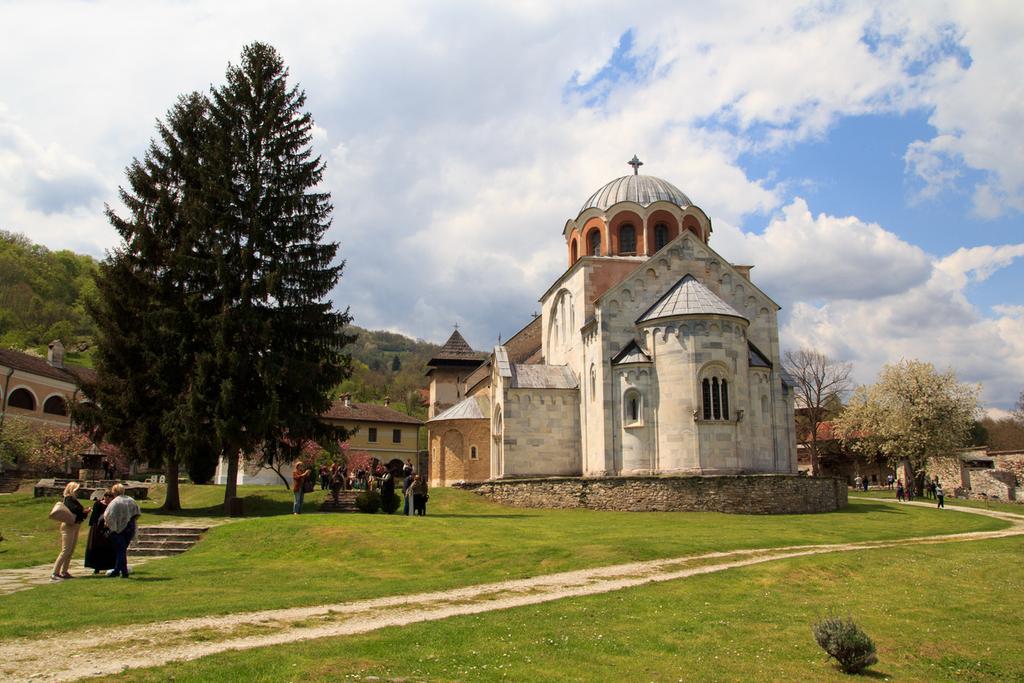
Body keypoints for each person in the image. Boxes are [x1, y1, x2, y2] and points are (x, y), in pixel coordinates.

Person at [51, 481, 90, 581]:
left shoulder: (74, 499)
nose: (78, 491)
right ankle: (55, 572)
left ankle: (64, 571)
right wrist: (83, 511)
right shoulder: (68, 498)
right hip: (68, 526)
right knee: (65, 550)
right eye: (77, 489)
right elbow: (74, 510)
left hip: (76, 525)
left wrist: (85, 512)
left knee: (70, 550)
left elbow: (79, 514)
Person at [103, 483, 141, 578]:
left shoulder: (115, 502)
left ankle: (117, 571)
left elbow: (109, 516)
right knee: (122, 550)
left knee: (121, 550)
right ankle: (123, 572)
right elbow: (137, 513)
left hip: (118, 529)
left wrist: (113, 527)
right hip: (130, 527)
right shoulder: (131, 500)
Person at [84, 490, 116, 574]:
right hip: (98, 529)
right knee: (97, 547)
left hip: (109, 528)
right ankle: (97, 567)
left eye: (110, 497)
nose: (107, 498)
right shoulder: (98, 504)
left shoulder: (112, 505)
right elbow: (95, 517)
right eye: (106, 496)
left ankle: (109, 566)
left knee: (108, 547)